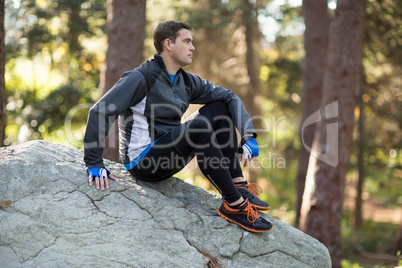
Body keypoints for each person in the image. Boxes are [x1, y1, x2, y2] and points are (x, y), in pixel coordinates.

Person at [83, 20, 273, 233]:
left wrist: (248, 134)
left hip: (170, 155)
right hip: (143, 162)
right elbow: (100, 111)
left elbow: (230, 97)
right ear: (168, 44)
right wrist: (93, 162)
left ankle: (237, 183)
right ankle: (233, 205)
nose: (193, 48)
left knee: (220, 107)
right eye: (187, 41)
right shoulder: (141, 77)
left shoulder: (186, 81)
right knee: (199, 126)